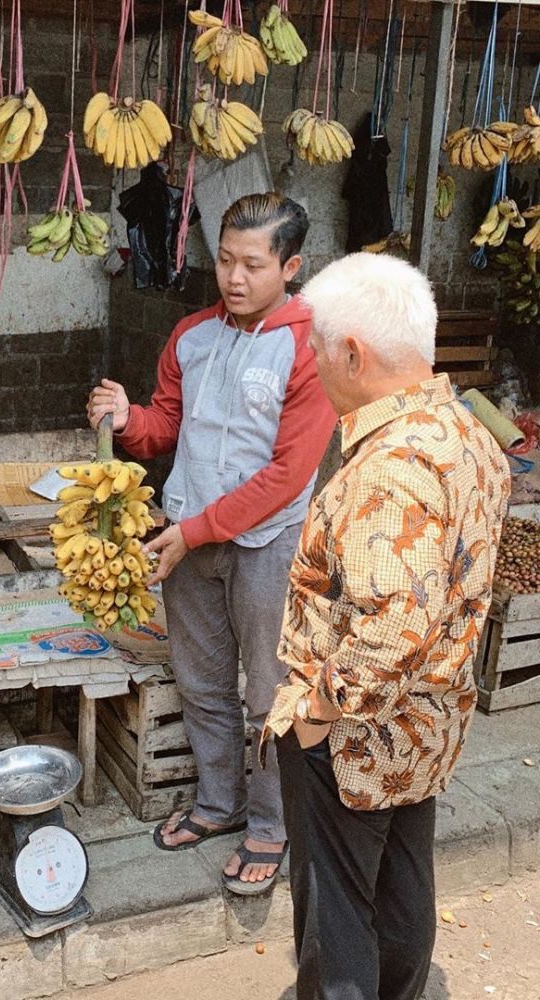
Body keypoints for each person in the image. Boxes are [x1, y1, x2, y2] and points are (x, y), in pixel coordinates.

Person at [262, 253, 509, 1000]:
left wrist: (316, 710)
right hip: (424, 726)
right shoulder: (465, 431)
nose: (310, 363)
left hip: (353, 737)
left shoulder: (390, 467)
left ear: (352, 353)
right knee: (402, 891)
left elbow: (396, 622)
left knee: (336, 917)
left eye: (315, 348)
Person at [87, 192, 337, 894]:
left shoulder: (309, 347)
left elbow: (288, 476)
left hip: (267, 545)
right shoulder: (192, 335)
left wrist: (192, 531)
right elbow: (166, 427)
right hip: (188, 538)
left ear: (290, 267)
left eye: (252, 265)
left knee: (269, 693)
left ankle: (271, 824)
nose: (234, 277)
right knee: (200, 683)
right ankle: (219, 803)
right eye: (225, 260)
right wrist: (127, 418)